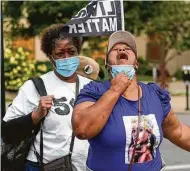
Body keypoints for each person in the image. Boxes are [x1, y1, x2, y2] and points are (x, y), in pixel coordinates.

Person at [72, 30, 190, 171]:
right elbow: (82, 129)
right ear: (107, 65)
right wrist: (115, 90)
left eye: (127, 48)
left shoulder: (155, 95)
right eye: (115, 49)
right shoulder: (94, 91)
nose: (121, 49)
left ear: (136, 64)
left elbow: (179, 132)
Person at [2, 24, 94, 171]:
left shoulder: (92, 87)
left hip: (84, 167)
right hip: (43, 166)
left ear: (78, 52)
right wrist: (35, 116)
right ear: (50, 57)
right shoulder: (34, 87)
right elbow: (6, 130)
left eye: (71, 52)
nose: (66, 58)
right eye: (59, 53)